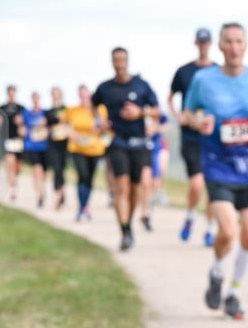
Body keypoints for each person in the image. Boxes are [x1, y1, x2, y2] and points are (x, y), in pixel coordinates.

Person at [183, 22, 248, 320]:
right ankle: (216, 270)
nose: (234, 47)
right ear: (220, 46)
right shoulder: (203, 79)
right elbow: (187, 112)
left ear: (245, 45)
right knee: (227, 231)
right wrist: (198, 122)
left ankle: (233, 293)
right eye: (229, 41)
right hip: (218, 164)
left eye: (239, 41)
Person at [92, 47, 160, 251]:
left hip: (139, 142)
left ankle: (128, 223)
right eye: (116, 60)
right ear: (112, 62)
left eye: (123, 60)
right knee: (121, 187)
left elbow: (157, 110)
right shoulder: (105, 87)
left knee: (135, 190)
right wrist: (100, 120)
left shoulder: (141, 85)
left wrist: (140, 112)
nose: (120, 64)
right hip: (117, 141)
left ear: (128, 61)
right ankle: (125, 232)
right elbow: (93, 106)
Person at [169, 28, 218, 245]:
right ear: (196, 44)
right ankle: (190, 216)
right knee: (197, 184)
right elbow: (170, 97)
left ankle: (210, 228)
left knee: (213, 185)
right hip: (190, 136)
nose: (204, 46)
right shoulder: (184, 71)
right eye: (201, 42)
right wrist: (178, 115)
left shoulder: (218, 71)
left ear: (211, 44)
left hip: (213, 136)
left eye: (206, 42)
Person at [62, 85, 108, 222]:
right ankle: (81, 208)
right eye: (81, 95)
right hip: (77, 148)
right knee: (82, 175)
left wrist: (100, 128)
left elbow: (105, 127)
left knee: (89, 179)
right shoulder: (73, 110)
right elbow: (64, 124)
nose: (84, 98)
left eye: (86, 95)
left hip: (95, 148)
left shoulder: (100, 109)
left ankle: (85, 206)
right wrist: (71, 133)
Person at [19, 91, 50, 208]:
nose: (36, 101)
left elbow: (51, 126)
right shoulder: (27, 114)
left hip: (44, 146)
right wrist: (21, 130)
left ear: (40, 99)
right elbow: (21, 126)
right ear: (32, 100)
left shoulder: (45, 113)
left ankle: (42, 188)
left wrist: (47, 128)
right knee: (37, 170)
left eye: (37, 98)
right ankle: (40, 195)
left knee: (43, 173)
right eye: (34, 99)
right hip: (32, 146)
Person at [0, 85, 25, 201]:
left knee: (18, 167)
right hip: (7, 139)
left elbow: (25, 124)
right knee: (10, 164)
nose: (11, 95)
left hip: (18, 140)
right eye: (10, 93)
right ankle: (12, 190)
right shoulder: (1, 108)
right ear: (7, 93)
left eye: (13, 93)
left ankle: (14, 182)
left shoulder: (21, 108)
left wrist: (21, 124)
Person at [45, 86, 70, 210]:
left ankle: (62, 190)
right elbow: (46, 127)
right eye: (53, 94)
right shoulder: (48, 111)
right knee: (56, 168)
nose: (55, 96)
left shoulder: (67, 110)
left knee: (62, 169)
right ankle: (58, 195)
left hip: (64, 144)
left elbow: (71, 124)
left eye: (57, 93)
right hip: (53, 143)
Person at [148, 112, 171, 208]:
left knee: (160, 171)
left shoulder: (159, 113)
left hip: (158, 146)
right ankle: (150, 196)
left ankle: (158, 192)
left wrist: (157, 128)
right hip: (145, 146)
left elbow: (167, 124)